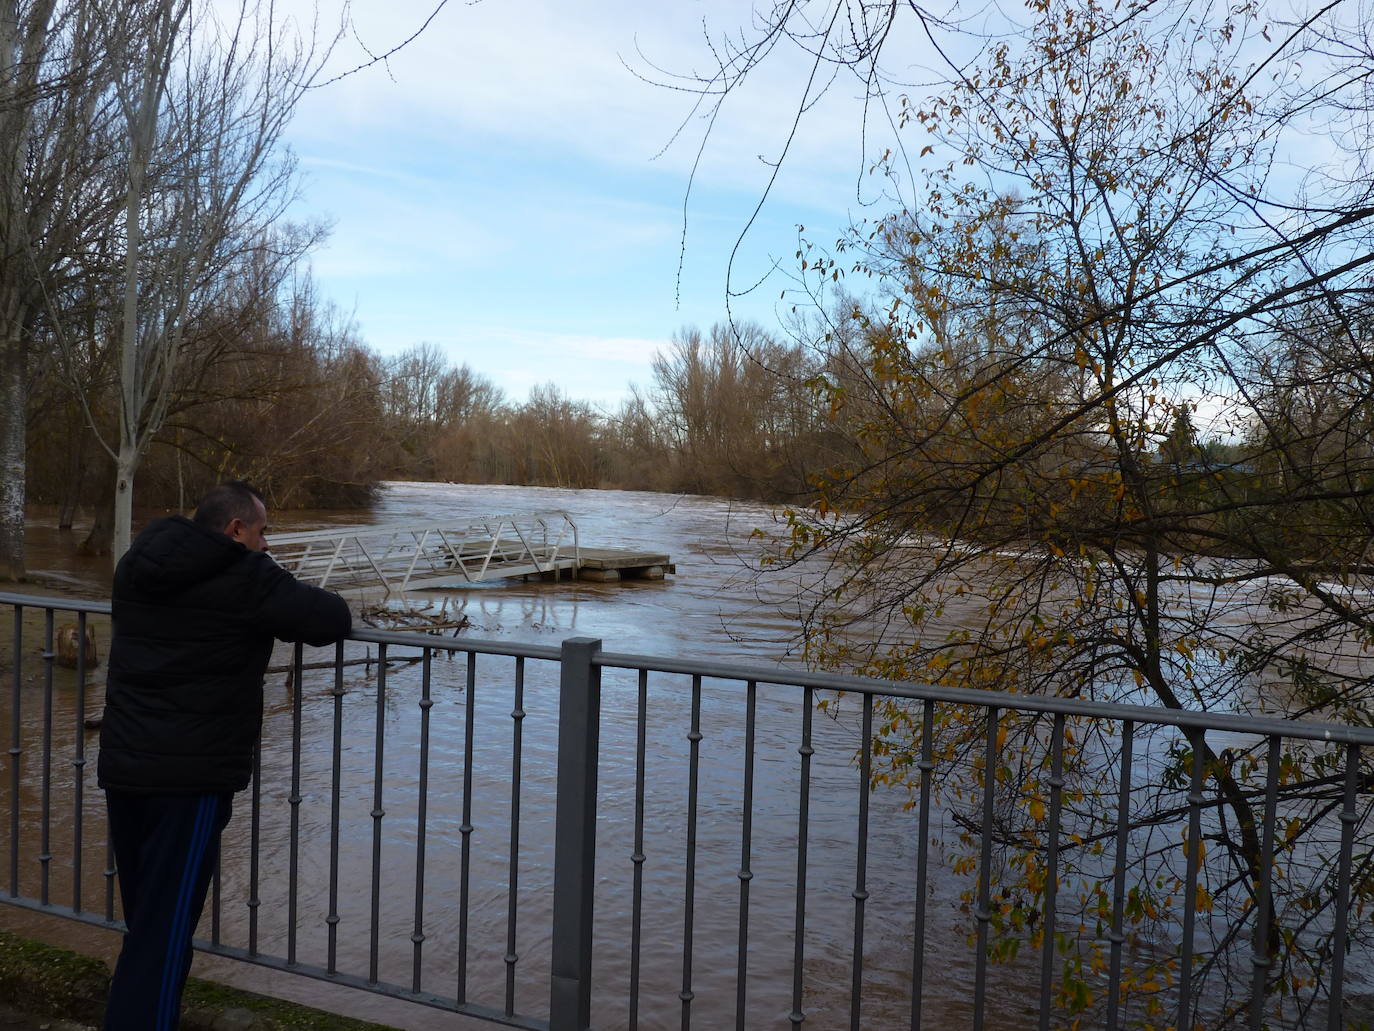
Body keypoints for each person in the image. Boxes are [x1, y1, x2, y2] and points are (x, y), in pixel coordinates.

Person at [97, 481, 351, 1030]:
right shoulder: (246, 576)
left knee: (147, 920)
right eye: (262, 533)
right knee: (164, 932)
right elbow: (330, 620)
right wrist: (268, 574)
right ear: (236, 530)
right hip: (190, 779)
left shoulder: (136, 563)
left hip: (125, 764)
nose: (266, 545)